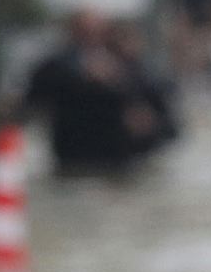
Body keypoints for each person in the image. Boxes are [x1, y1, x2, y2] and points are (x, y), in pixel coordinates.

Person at [25, 10, 181, 171]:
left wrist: (148, 121)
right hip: (75, 157)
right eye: (85, 30)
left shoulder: (134, 69)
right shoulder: (57, 66)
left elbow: (167, 118)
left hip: (122, 160)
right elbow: (34, 99)